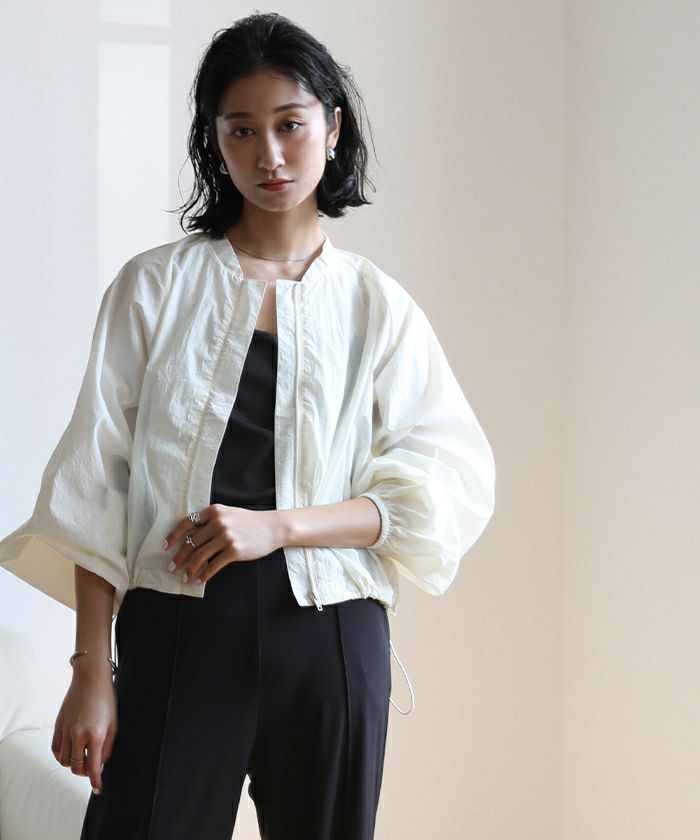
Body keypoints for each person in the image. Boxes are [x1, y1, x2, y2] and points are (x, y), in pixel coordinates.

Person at [0, 11, 496, 840]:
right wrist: (91, 667)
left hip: (331, 633)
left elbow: (443, 487)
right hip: (177, 628)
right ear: (214, 142)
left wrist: (280, 527)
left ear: (332, 128)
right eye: (242, 130)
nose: (269, 155)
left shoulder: (376, 307)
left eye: (290, 125)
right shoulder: (153, 288)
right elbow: (96, 484)